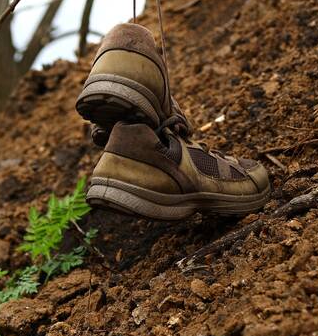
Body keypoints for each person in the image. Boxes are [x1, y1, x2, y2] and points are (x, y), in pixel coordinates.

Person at [77, 23, 270, 219]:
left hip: (138, 149)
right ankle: (170, 152)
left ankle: (126, 148)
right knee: (167, 137)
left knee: (145, 126)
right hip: (170, 160)